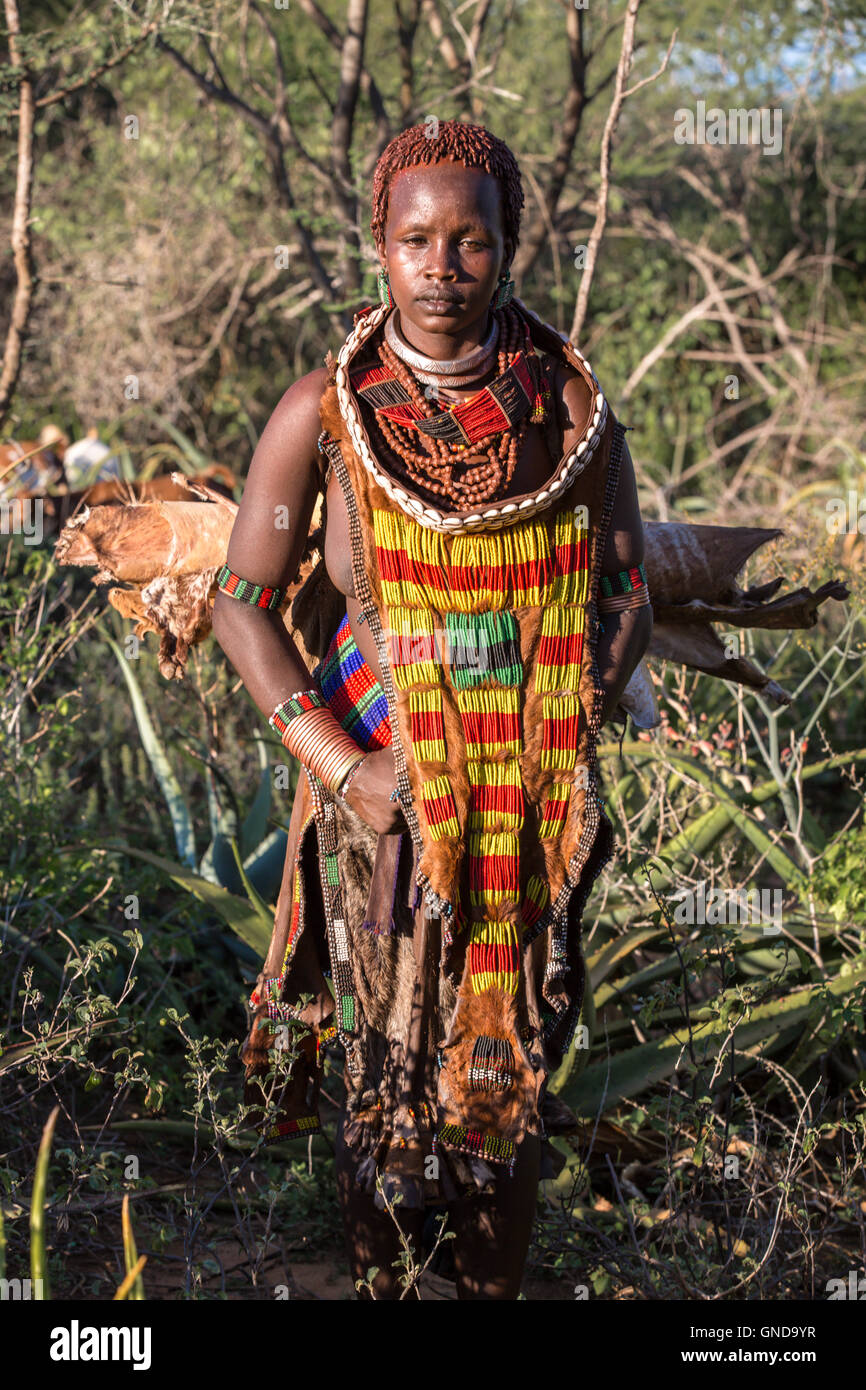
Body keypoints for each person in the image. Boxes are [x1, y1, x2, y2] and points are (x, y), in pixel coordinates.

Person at [211, 119, 652, 1301]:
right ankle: (386, 1286)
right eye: (416, 238)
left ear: (507, 247)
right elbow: (240, 605)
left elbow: (624, 594)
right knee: (380, 1071)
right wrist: (343, 765)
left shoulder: (567, 408)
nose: (442, 264)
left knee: (504, 1087)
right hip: (381, 796)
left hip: (524, 804)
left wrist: (559, 721)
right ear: (379, 246)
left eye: (470, 239)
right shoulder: (327, 410)